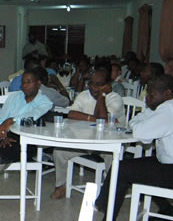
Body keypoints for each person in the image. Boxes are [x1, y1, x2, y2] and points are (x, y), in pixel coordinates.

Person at [93, 75, 173, 221]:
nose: (147, 98)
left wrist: (141, 122)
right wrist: (148, 113)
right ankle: (168, 210)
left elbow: (140, 132)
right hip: (170, 161)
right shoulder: (171, 105)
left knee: (122, 169)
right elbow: (136, 123)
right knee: (140, 168)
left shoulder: (168, 109)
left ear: (167, 93)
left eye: (152, 95)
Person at [0, 70, 53, 202]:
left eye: (29, 82)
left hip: (23, 143)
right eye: (23, 82)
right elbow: (0, 121)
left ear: (38, 83)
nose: (25, 85)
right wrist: (2, 136)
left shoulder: (45, 102)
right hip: (3, 139)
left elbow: (33, 115)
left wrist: (11, 120)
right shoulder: (14, 97)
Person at [50, 68, 125, 199]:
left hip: (108, 144)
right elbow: (72, 114)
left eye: (99, 84)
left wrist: (102, 96)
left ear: (108, 85)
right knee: (59, 151)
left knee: (111, 157)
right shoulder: (84, 95)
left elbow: (103, 118)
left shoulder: (115, 98)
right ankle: (61, 186)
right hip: (86, 141)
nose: (93, 88)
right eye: (91, 83)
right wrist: (94, 119)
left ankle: (109, 190)